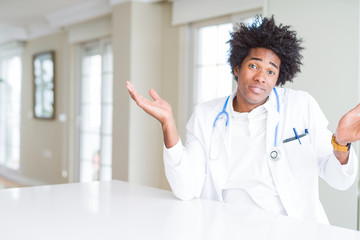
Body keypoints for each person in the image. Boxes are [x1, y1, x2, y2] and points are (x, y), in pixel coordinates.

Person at [126, 16, 360, 224]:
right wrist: (168, 125)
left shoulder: (301, 105)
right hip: (227, 227)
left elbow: (339, 179)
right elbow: (186, 189)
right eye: (253, 65)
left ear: (279, 76)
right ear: (237, 68)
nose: (260, 77)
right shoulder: (206, 115)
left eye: (271, 71)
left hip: (293, 228)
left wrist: (341, 143)